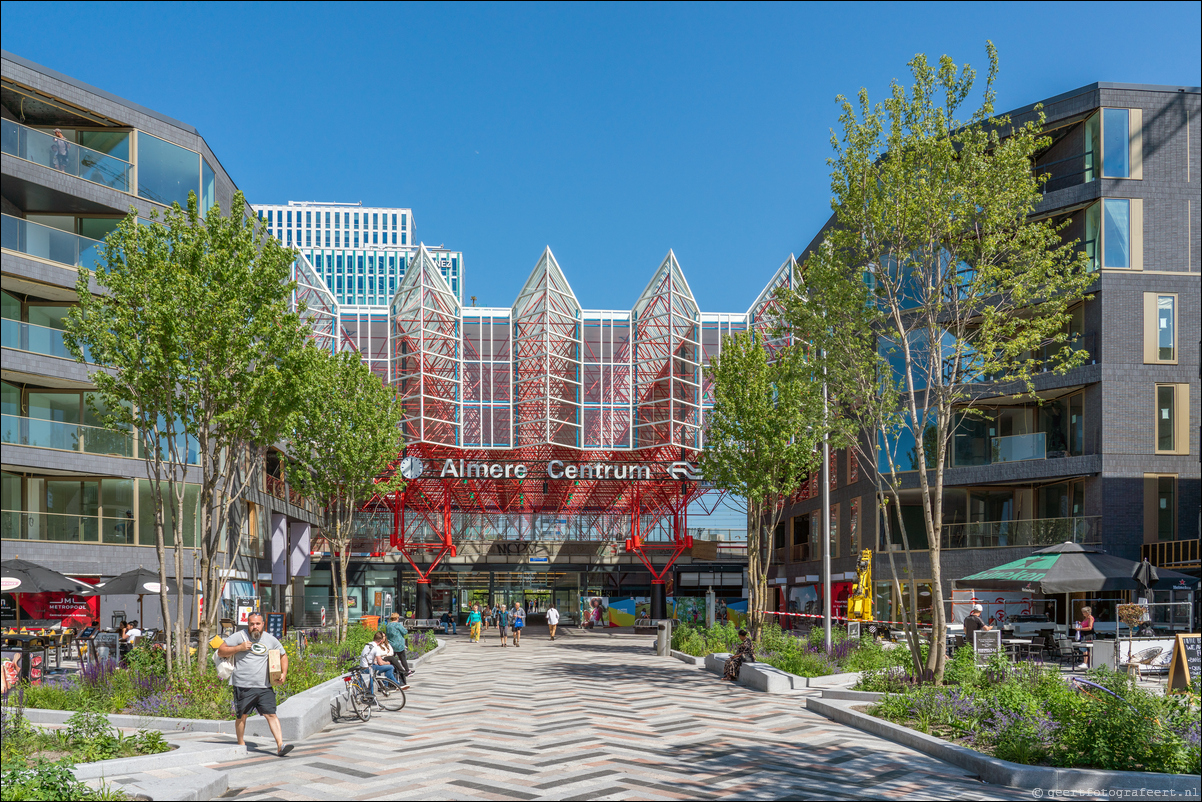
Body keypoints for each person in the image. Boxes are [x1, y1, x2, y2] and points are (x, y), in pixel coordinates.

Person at [217, 612, 292, 757]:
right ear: (248, 624)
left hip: (264, 686)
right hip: (243, 685)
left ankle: (280, 745)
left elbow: (283, 655)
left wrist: (284, 673)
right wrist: (239, 648)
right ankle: (241, 744)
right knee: (242, 716)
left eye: (258, 624)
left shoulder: (270, 639)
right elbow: (221, 651)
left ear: (263, 624)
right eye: (252, 624)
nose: (255, 627)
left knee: (271, 714)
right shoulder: (239, 636)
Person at [358, 631, 397, 701]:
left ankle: (385, 687)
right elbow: (381, 663)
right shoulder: (377, 648)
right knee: (390, 667)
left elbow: (372, 657)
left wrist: (376, 661)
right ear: (381, 641)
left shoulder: (368, 644)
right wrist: (388, 663)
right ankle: (387, 685)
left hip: (363, 667)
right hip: (368, 668)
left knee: (375, 673)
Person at [383, 613, 412, 686]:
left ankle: (394, 670)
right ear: (397, 618)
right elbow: (405, 632)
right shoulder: (398, 625)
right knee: (402, 658)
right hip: (399, 645)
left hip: (391, 644)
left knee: (393, 659)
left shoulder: (388, 625)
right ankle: (407, 671)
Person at [1075, 606, 1095, 670]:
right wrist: (1080, 623)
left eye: (1084, 612)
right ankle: (1085, 662)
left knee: (1085, 648)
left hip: (1089, 635)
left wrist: (1080, 629)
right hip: (1084, 634)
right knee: (1083, 648)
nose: (1083, 613)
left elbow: (1089, 627)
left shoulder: (1090, 618)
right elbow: (1085, 625)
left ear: (1087, 612)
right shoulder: (1085, 618)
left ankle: (1086, 663)